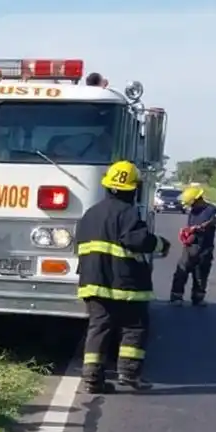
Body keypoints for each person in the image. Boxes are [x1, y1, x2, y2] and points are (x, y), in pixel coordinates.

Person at [76, 160, 170, 394]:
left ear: (108, 186)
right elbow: (135, 240)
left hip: (91, 282)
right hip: (124, 284)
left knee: (99, 327)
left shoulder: (91, 212)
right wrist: (160, 244)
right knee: (134, 326)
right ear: (133, 189)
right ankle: (129, 374)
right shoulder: (128, 212)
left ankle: (92, 379)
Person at [169, 186, 216, 306]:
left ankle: (198, 298)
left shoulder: (211, 209)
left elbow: (215, 220)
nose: (190, 206)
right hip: (191, 246)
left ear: (197, 200)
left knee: (201, 274)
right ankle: (176, 297)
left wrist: (202, 226)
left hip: (205, 247)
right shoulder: (193, 210)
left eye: (191, 203)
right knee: (181, 271)